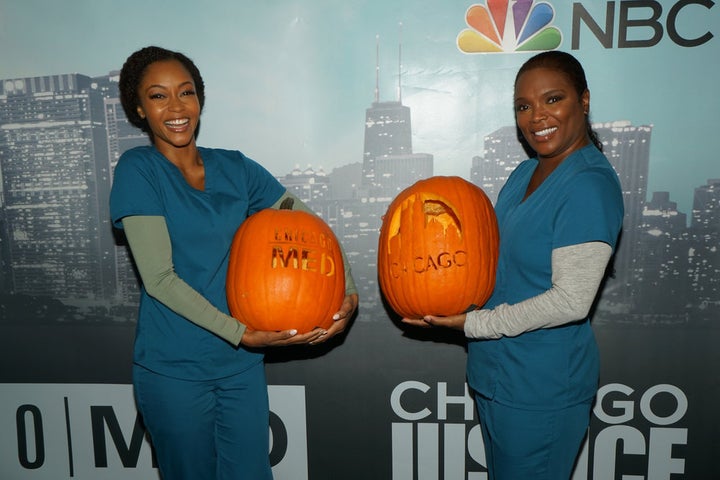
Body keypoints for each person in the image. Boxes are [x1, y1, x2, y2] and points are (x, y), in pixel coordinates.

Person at [109, 46, 358, 480]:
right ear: (138, 107)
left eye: (185, 92)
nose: (175, 107)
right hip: (176, 370)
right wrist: (242, 333)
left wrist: (348, 292)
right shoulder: (138, 169)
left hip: (239, 367)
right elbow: (160, 279)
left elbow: (310, 227)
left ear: (199, 99)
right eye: (158, 96)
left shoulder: (237, 168)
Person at [402, 51, 624, 479]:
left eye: (553, 99)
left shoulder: (588, 186)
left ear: (584, 100)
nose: (537, 116)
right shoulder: (524, 174)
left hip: (541, 389)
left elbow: (571, 301)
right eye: (524, 106)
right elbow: (488, 255)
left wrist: (471, 325)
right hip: (495, 378)